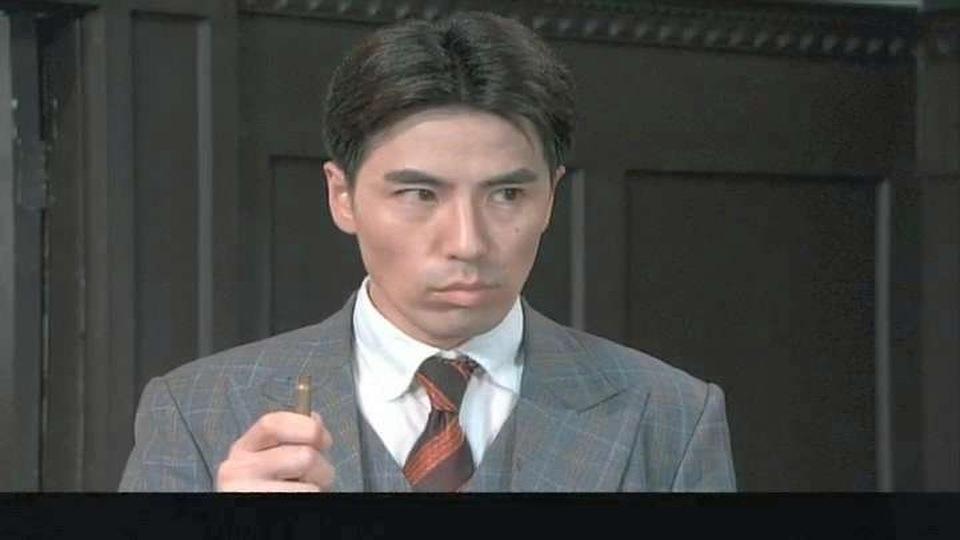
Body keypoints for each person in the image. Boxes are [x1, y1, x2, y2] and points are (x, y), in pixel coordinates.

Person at [119, 11, 736, 492]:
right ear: (342, 197)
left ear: (551, 197)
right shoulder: (198, 411)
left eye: (507, 194)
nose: (467, 242)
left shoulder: (670, 415)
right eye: (419, 194)